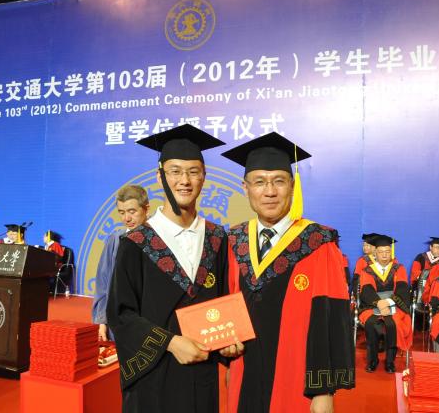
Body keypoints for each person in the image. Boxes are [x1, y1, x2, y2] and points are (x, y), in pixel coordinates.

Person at [106, 124, 236, 413]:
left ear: (204, 176)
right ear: (160, 176)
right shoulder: (137, 242)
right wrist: (170, 343)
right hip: (154, 377)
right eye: (175, 171)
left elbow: (225, 301)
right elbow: (121, 313)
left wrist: (229, 342)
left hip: (202, 375)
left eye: (193, 171)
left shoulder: (217, 238)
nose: (184, 181)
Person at [221, 133, 355, 413]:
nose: (269, 192)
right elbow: (225, 304)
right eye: (259, 182)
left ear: (292, 186)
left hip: (294, 378)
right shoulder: (234, 240)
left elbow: (331, 317)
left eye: (279, 181)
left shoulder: (318, 242)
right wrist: (226, 357)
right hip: (244, 371)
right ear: (245, 188)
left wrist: (323, 390)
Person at [92, 185, 149, 341]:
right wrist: (102, 322)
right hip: (118, 322)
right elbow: (103, 283)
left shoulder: (158, 241)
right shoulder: (115, 239)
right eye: (122, 212)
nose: (126, 219)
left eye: (132, 211)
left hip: (150, 321)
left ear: (146, 209)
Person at [358, 235, 412, 374]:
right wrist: (380, 304)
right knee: (371, 323)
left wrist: (388, 303)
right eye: (381, 252)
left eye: (387, 251)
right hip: (372, 305)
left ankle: (390, 361)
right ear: (375, 253)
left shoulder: (398, 268)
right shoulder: (367, 270)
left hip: (395, 304)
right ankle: (372, 360)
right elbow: (367, 290)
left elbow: (402, 288)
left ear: (391, 253)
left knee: (393, 324)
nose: (384, 255)